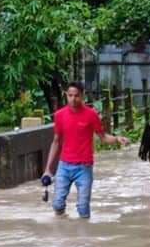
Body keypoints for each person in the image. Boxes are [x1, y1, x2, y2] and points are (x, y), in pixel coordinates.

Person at [42, 82, 129, 219]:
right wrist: (48, 169)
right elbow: (56, 142)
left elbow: (103, 137)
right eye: (70, 95)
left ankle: (84, 236)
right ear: (66, 95)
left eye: (76, 96)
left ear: (82, 96)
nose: (73, 99)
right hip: (64, 165)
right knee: (57, 204)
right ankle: (61, 225)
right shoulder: (60, 115)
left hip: (84, 167)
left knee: (83, 209)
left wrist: (117, 139)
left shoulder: (91, 115)